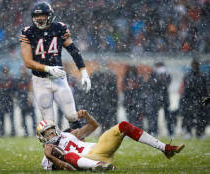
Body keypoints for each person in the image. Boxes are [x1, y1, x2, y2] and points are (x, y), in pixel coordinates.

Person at [20, 2, 91, 129]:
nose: (40, 18)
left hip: (59, 79)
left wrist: (84, 72)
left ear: (50, 15)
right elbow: (27, 62)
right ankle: (53, 148)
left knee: (72, 116)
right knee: (49, 123)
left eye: (43, 15)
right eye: (37, 16)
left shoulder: (59, 28)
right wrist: (48, 68)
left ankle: (77, 145)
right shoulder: (28, 32)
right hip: (40, 80)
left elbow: (74, 51)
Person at [36, 110, 185, 171]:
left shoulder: (69, 134)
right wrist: (50, 156)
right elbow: (68, 168)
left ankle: (165, 148)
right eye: (47, 134)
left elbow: (93, 126)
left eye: (51, 131)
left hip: (99, 149)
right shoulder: (46, 157)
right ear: (42, 138)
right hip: (86, 160)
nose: (51, 135)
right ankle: (99, 166)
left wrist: (87, 116)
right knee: (68, 156)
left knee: (123, 126)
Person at [15, 66, 36, 136]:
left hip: (29, 99)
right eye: (22, 69)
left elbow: (32, 88)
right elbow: (17, 90)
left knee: (33, 117)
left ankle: (34, 131)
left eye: (24, 69)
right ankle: (26, 132)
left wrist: (31, 97)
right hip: (22, 100)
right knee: (23, 118)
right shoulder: (18, 78)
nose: (23, 71)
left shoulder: (30, 77)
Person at [0, 66, 16, 136]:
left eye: (6, 69)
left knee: (11, 117)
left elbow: (14, 88)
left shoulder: (11, 78)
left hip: (9, 99)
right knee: (1, 117)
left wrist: (13, 95)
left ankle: (13, 132)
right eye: (4, 69)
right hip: (1, 100)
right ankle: (2, 132)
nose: (5, 70)